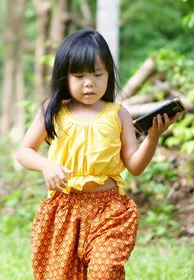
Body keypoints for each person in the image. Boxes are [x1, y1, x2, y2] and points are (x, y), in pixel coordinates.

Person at [16, 29, 177, 280]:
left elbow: (133, 165)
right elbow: (24, 152)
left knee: (107, 270)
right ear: (64, 77)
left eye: (97, 74)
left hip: (109, 210)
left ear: (108, 75)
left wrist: (153, 136)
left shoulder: (118, 114)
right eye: (79, 76)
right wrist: (46, 166)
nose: (88, 82)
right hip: (63, 210)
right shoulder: (54, 110)